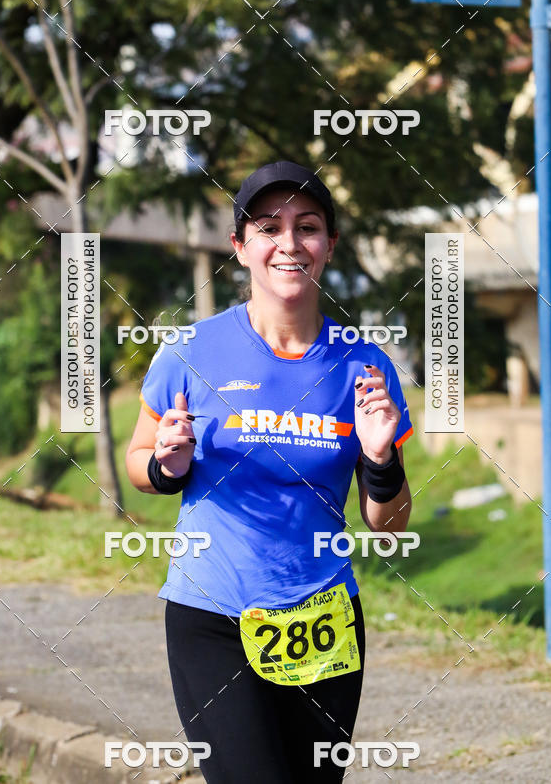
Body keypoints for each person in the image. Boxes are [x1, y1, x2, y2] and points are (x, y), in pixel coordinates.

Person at [125, 160, 413, 784]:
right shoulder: (191, 352)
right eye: (267, 227)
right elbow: (138, 465)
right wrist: (166, 463)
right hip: (213, 615)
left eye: (307, 227)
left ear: (329, 245)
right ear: (241, 246)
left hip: (324, 621)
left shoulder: (363, 367)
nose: (289, 243)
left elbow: (388, 526)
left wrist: (382, 459)